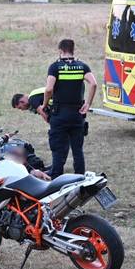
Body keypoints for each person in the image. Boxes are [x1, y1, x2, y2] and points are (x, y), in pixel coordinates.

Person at [41, 39, 97, 178]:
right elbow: (94, 84)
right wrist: (88, 103)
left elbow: (48, 89)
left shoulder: (55, 67)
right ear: (73, 50)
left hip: (59, 114)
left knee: (58, 149)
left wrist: (44, 104)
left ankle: (56, 178)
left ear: (60, 51)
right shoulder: (82, 66)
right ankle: (80, 178)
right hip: (77, 114)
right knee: (78, 149)